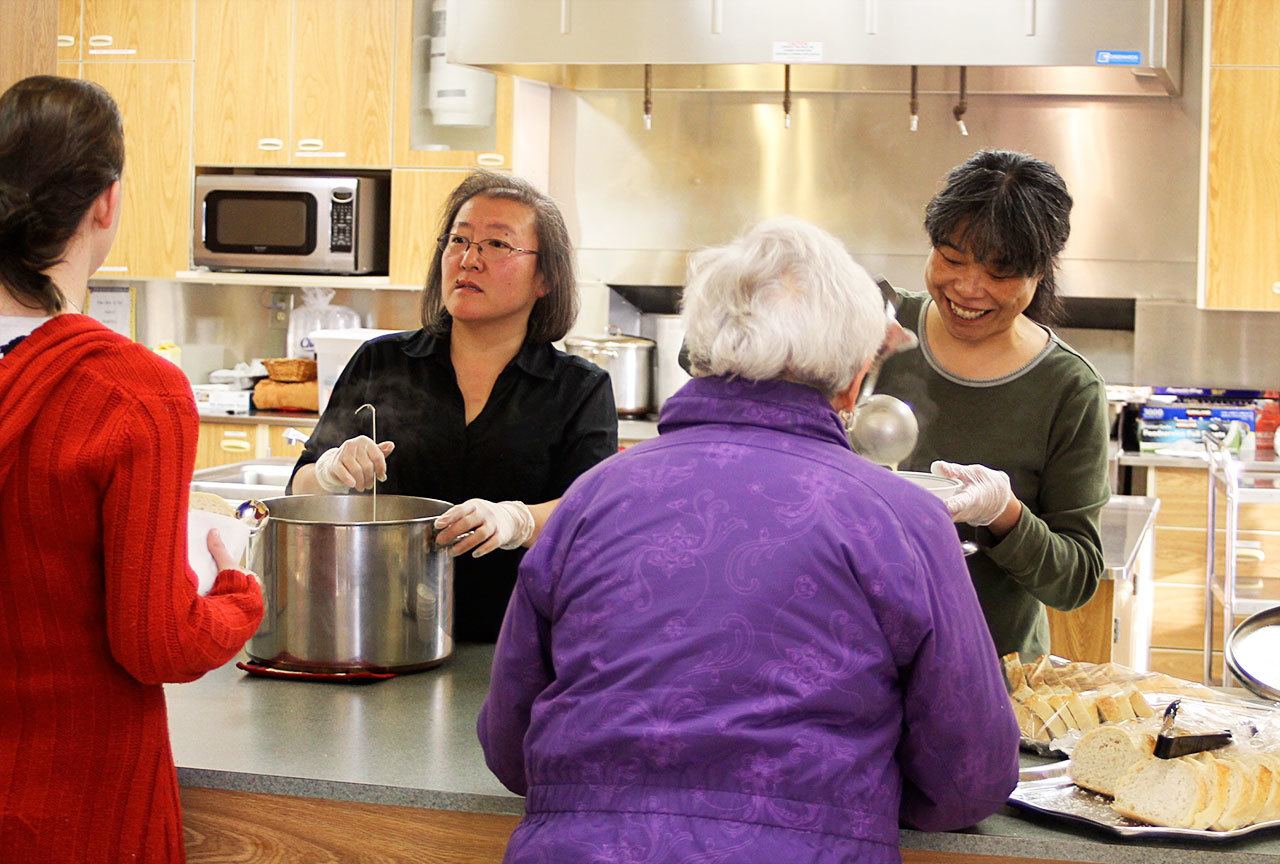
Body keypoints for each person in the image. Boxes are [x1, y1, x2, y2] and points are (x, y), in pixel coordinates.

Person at [478, 217, 1020, 864]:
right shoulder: (902, 521)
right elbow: (970, 781)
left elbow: (510, 748)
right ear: (852, 380)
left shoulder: (592, 498)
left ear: (703, 350)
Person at [0, 76, 264, 862]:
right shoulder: (131, 393)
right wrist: (237, 589)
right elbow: (158, 643)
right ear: (106, 202)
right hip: (77, 801)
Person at [288, 171, 617, 641]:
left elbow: (592, 516)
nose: (469, 259)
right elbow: (298, 489)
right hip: (379, 630)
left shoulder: (577, 388)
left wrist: (516, 520)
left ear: (545, 277)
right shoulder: (383, 361)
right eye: (459, 240)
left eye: (496, 245)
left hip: (515, 642)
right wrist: (330, 472)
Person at [875, 149, 1110, 660]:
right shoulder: (877, 330)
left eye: (999, 272)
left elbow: (1076, 580)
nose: (967, 287)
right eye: (952, 258)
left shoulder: (1069, 389)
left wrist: (1004, 515)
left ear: (1040, 272)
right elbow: (708, 353)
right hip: (855, 658)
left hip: (990, 673)